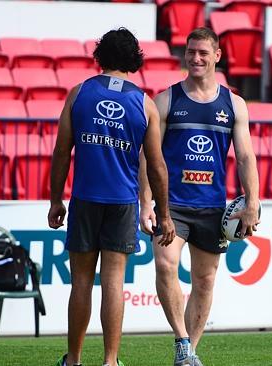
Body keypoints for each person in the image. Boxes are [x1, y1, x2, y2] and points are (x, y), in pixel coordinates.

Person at [48, 28, 175, 366]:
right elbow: (157, 167)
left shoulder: (79, 93)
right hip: (122, 202)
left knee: (81, 283)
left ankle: (73, 360)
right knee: (114, 284)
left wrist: (55, 200)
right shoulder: (144, 104)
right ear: (134, 59)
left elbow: (61, 152)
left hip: (85, 197)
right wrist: (163, 215)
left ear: (100, 55)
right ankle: (110, 361)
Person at [139, 27, 260, 366]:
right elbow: (149, 156)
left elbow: (247, 156)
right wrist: (145, 202)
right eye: (191, 51)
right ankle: (180, 340)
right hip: (171, 206)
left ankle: (189, 352)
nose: (196, 58)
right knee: (165, 267)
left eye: (203, 53)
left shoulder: (234, 104)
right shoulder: (167, 99)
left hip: (212, 208)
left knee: (205, 282)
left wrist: (253, 202)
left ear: (217, 56)